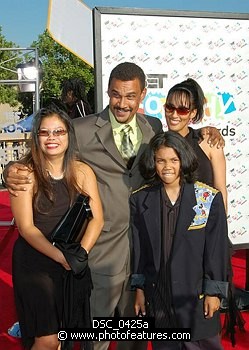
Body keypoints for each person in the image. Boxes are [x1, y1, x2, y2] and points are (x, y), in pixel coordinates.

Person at [4, 62, 224, 350]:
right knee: (94, 334)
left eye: (130, 96)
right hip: (100, 251)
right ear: (107, 92)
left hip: (145, 251)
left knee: (135, 334)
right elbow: (48, 149)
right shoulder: (81, 130)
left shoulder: (153, 127)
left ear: (143, 95)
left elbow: (179, 144)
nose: (122, 103)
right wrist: (11, 169)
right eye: (116, 95)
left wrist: (208, 129)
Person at [10, 105, 103, 350]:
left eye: (58, 132)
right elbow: (26, 228)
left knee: (66, 336)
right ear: (37, 137)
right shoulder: (25, 173)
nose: (52, 138)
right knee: (47, 339)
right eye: (45, 132)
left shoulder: (82, 171)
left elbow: (97, 219)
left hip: (71, 262)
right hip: (35, 263)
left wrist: (79, 255)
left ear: (69, 135)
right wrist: (60, 257)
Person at [131, 131, 230, 350]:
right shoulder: (140, 199)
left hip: (195, 294)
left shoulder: (207, 198)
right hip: (159, 294)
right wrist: (139, 288)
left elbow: (216, 249)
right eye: (160, 160)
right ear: (153, 162)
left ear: (183, 160)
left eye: (174, 160)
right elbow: (139, 249)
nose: (167, 166)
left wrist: (213, 291)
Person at [164, 78, 227, 211]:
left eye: (182, 110)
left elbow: (221, 191)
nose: (174, 114)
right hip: (168, 223)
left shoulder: (209, 143)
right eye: (170, 108)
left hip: (203, 225)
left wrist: (220, 229)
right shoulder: (158, 144)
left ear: (193, 113)